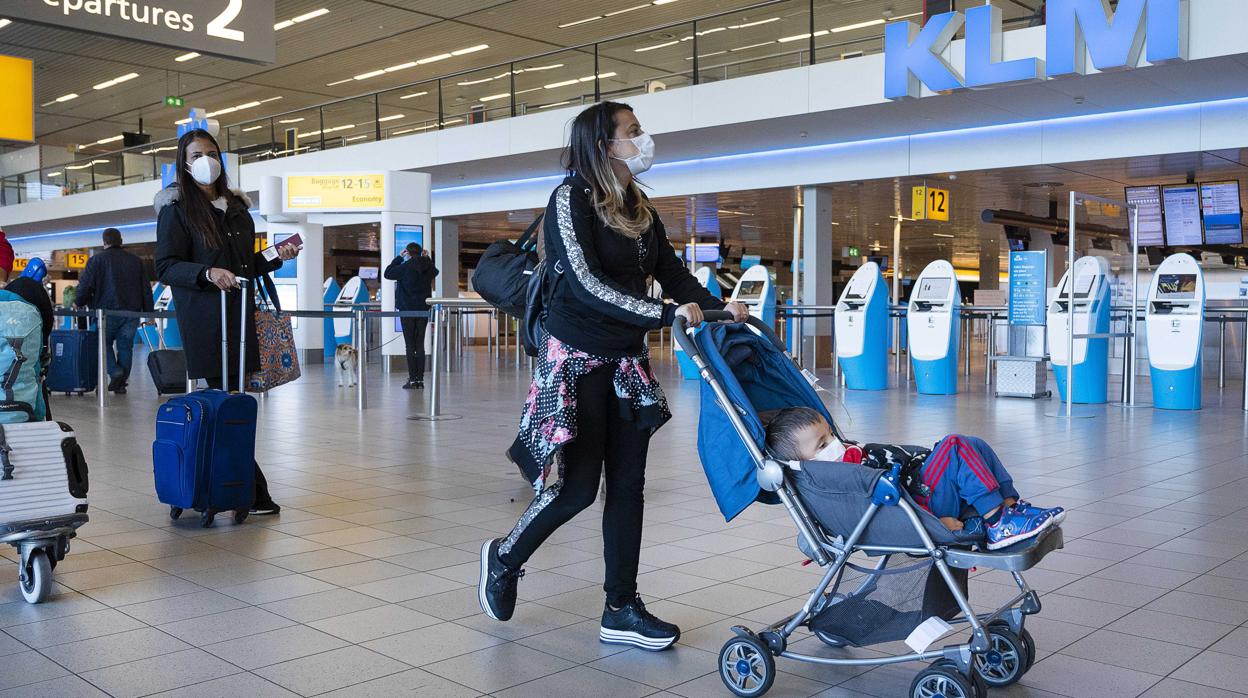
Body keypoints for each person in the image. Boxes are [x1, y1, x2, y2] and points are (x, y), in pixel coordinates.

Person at [477, 101, 750, 651]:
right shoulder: (571, 198)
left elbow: (669, 272)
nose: (642, 139)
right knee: (576, 490)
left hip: (624, 360)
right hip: (575, 357)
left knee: (629, 486)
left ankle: (620, 608)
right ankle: (504, 558)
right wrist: (663, 315)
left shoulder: (639, 205)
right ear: (604, 145)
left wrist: (721, 306)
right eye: (633, 131)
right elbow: (583, 282)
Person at [154, 128, 300, 516]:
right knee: (227, 402)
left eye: (212, 152)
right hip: (206, 321)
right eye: (197, 154)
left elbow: (244, 265)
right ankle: (249, 490)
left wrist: (276, 255)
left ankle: (235, 487)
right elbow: (166, 266)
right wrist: (206, 274)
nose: (206, 160)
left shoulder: (236, 208)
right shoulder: (177, 209)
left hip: (239, 318)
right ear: (184, 164)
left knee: (234, 404)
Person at [764, 407, 1064, 550]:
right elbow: (883, 508)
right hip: (917, 507)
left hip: (917, 493)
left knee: (974, 444)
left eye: (830, 434)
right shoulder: (836, 479)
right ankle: (999, 523)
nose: (834, 443)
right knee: (956, 445)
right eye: (821, 445)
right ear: (800, 463)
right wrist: (931, 523)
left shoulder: (850, 457)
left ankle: (1010, 508)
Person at [75, 228, 154, 394]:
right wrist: (149, 313)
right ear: (121, 241)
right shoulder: (135, 261)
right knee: (126, 347)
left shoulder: (96, 261)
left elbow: (85, 286)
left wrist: (79, 301)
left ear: (104, 242)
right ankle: (121, 383)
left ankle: (116, 372)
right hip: (131, 313)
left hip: (106, 312)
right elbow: (145, 288)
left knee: (101, 342)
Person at [383, 242, 438, 389]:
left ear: (407, 252)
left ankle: (412, 379)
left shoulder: (404, 267)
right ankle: (420, 380)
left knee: (410, 345)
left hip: (407, 310)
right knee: (420, 345)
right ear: (421, 252)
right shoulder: (427, 267)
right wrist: (427, 259)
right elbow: (435, 271)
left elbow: (387, 273)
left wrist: (399, 258)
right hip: (422, 310)